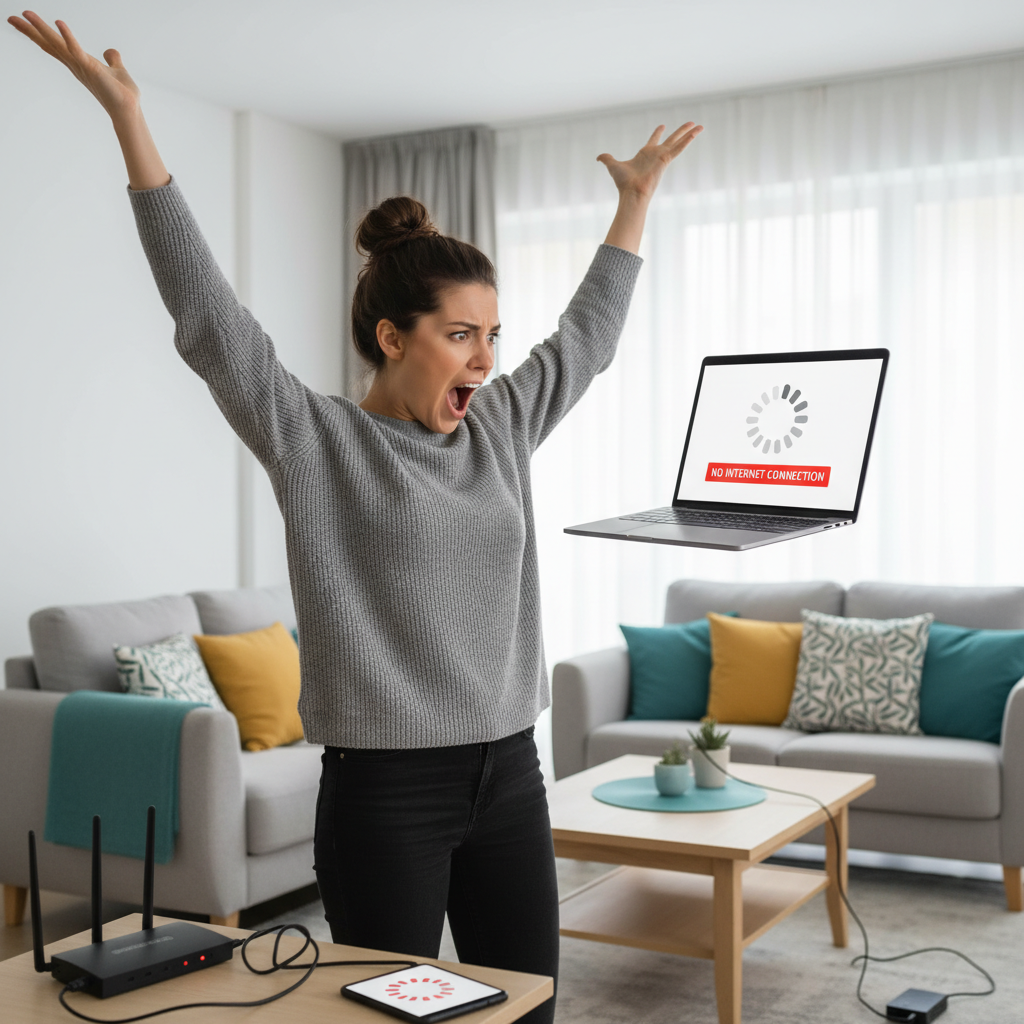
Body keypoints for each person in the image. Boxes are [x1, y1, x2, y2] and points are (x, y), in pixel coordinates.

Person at [9, 11, 703, 1022]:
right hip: (386, 795)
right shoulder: (317, 442)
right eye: (461, 335)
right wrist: (130, 122)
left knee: (532, 1009)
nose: (486, 358)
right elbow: (209, 320)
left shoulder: (500, 425)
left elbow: (584, 340)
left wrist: (633, 204)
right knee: (389, 1016)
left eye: (492, 334)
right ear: (392, 336)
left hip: (511, 771)